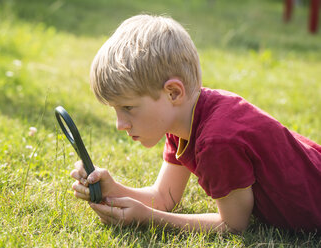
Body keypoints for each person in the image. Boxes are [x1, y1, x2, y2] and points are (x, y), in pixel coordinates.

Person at [70, 14, 321, 233]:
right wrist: (112, 190)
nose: (120, 124)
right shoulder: (184, 120)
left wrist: (149, 219)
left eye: (128, 108)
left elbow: (233, 225)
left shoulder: (217, 140)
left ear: (173, 93)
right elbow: (164, 197)